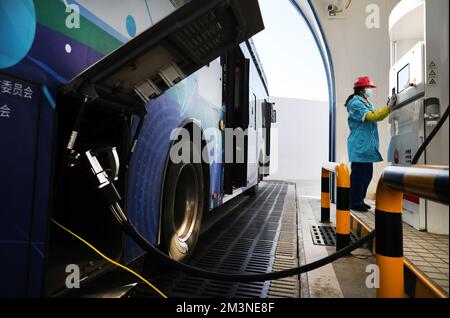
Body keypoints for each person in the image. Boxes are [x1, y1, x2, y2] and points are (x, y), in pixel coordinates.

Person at [345, 76, 397, 212]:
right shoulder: (355, 103)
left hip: (367, 147)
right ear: (362, 90)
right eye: (369, 88)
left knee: (367, 176)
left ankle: (360, 200)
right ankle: (354, 202)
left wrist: (387, 107)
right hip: (359, 146)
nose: (370, 90)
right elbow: (373, 116)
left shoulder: (366, 102)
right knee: (358, 176)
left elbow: (375, 114)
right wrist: (388, 108)